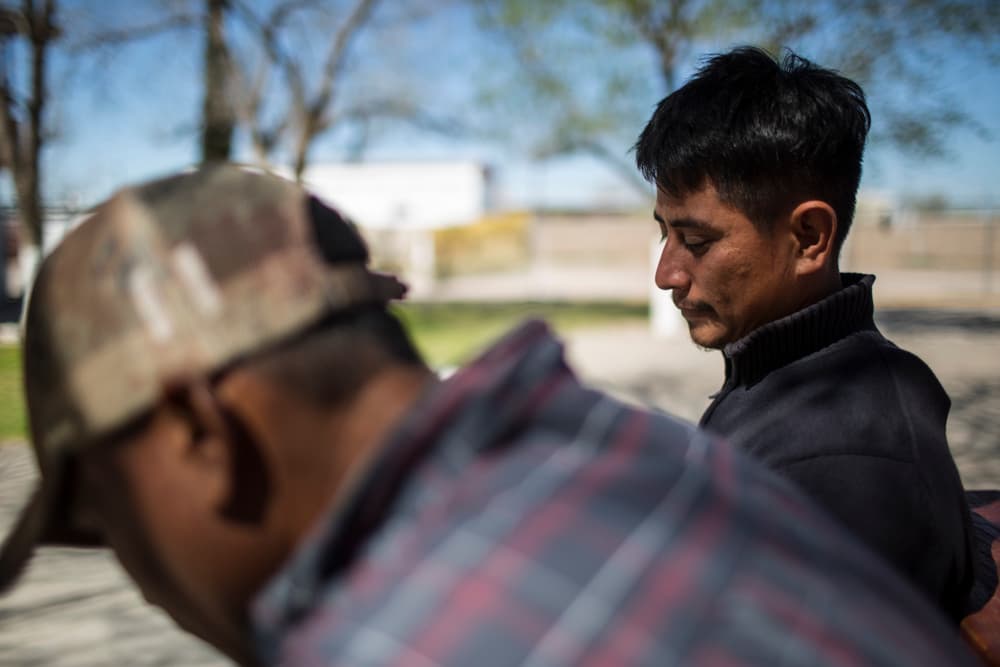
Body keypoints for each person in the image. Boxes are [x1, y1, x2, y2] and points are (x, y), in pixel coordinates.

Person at [0, 165, 976, 666]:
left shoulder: (389, 643)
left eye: (107, 517)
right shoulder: (637, 449)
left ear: (202, 431)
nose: (139, 573)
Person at [635, 46, 973, 619]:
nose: (666, 273)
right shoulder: (780, 374)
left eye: (695, 242)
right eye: (664, 233)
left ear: (810, 236)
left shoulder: (843, 465)